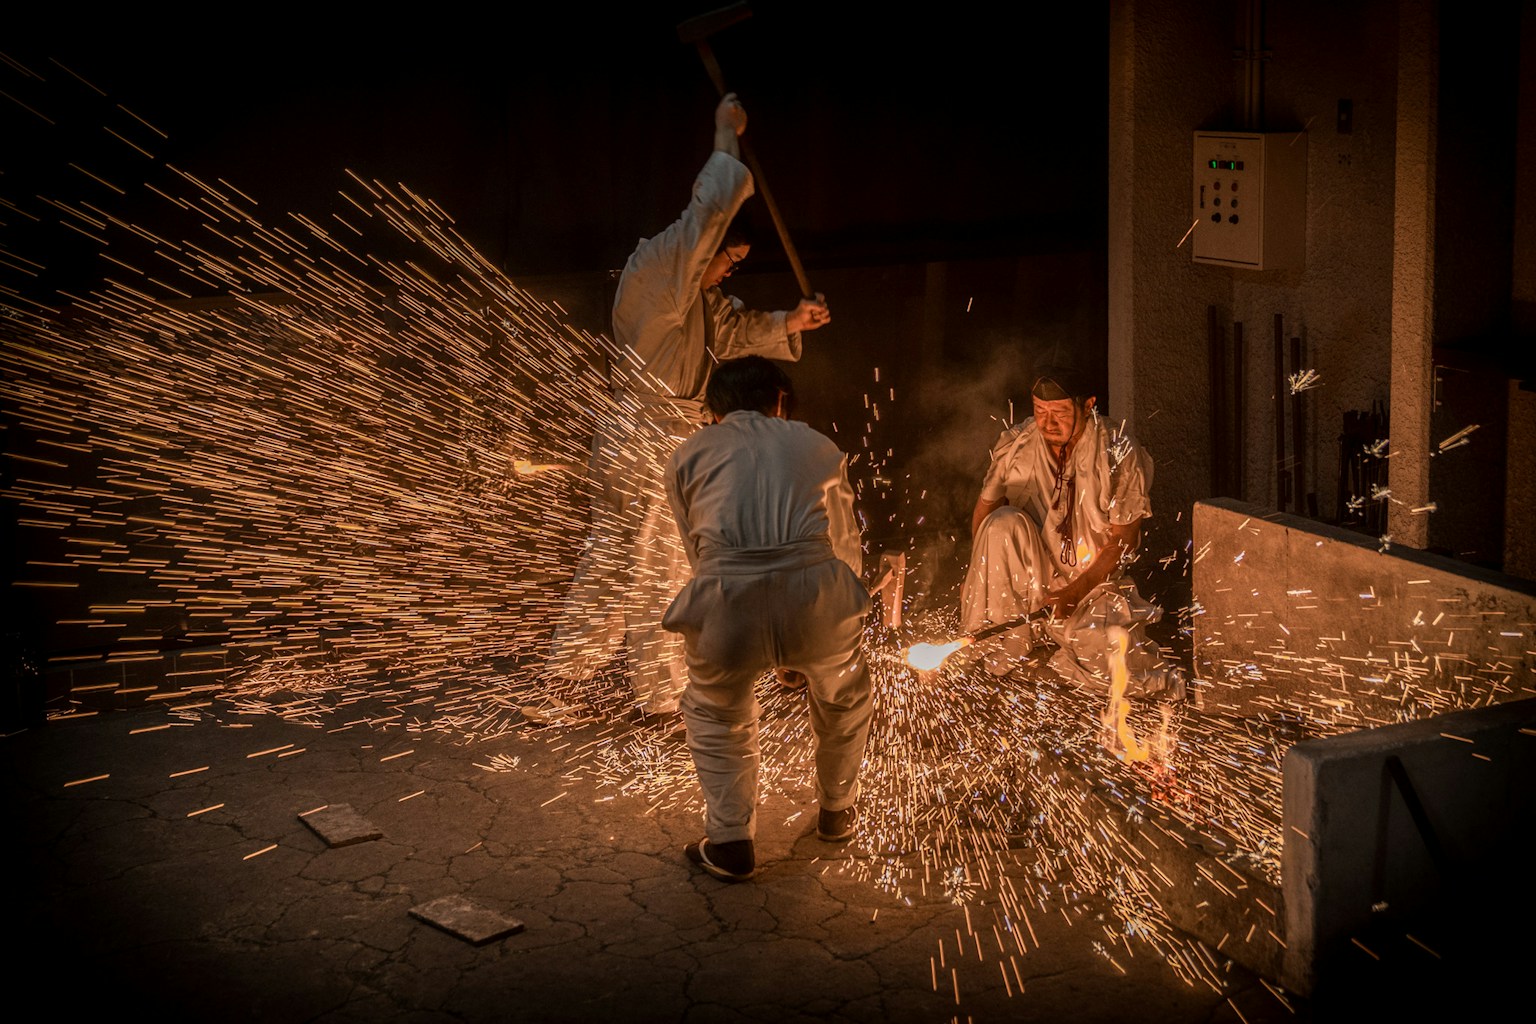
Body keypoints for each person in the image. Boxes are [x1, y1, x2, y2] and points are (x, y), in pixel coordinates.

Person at [537, 94, 832, 722]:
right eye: (728, 258)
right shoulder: (664, 263)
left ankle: (569, 680)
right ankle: (663, 692)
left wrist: (790, 320)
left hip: (649, 434)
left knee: (623, 560)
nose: (727, 273)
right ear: (709, 247)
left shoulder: (691, 292)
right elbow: (708, 212)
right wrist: (725, 136)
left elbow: (730, 332)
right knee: (654, 559)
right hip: (644, 433)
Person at [663, 356, 872, 882]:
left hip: (726, 599)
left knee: (716, 712)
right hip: (815, 596)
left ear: (713, 411)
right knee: (843, 695)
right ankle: (837, 812)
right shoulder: (817, 445)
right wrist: (812, 644)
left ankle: (731, 842)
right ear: (780, 400)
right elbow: (844, 542)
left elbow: (699, 551)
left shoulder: (686, 454)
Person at [959, 366, 1183, 697]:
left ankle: (1060, 637)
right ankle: (1018, 637)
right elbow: (986, 510)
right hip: (1033, 573)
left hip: (1092, 582)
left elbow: (1123, 540)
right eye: (1039, 411)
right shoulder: (1018, 443)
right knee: (1002, 522)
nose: (1047, 424)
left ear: (1088, 404)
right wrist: (978, 575)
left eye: (1059, 413)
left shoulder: (1118, 450)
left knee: (1109, 658)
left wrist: (1075, 592)